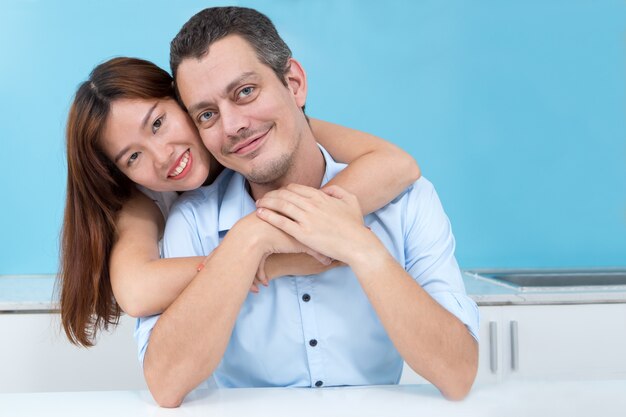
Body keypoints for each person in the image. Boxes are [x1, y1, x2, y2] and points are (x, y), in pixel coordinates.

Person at [136, 6, 479, 408]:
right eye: (207, 114)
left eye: (245, 92)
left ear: (294, 83)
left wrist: (361, 248)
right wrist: (249, 239)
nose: (232, 126)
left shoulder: (406, 201)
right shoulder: (192, 222)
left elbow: (458, 374)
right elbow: (165, 384)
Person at [59, 57, 420, 347]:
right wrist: (271, 259)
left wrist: (300, 228)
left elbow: (396, 164)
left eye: (157, 124)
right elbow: (137, 291)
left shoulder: (262, 131)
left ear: (182, 99)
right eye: (132, 158)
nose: (161, 156)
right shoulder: (143, 199)